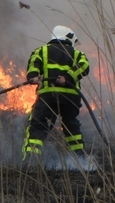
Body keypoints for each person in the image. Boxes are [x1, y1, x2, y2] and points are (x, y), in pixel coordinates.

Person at [23, 26, 91, 163]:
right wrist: (68, 77)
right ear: (68, 37)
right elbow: (84, 66)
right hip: (70, 97)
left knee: (38, 124)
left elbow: (34, 63)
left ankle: (32, 160)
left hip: (48, 96)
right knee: (71, 126)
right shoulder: (77, 54)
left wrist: (33, 76)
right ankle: (80, 159)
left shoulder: (42, 50)